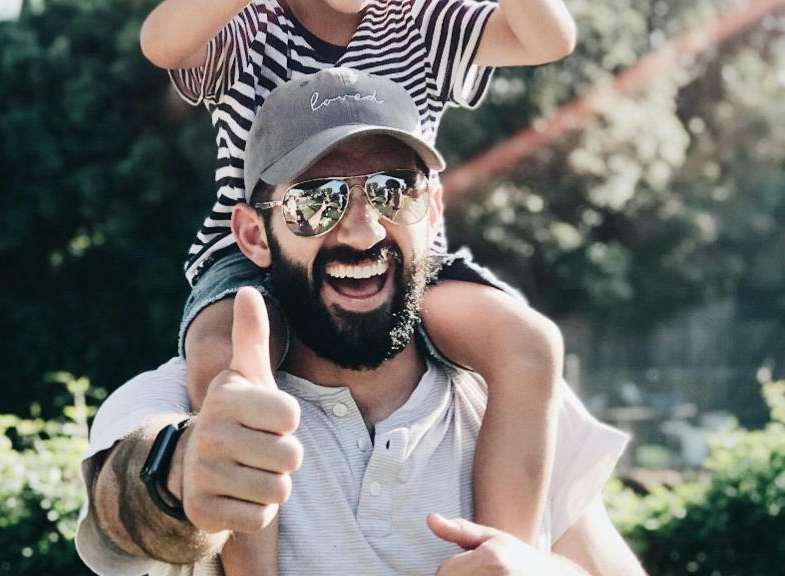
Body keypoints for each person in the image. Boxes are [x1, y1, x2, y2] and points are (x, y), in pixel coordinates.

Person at [76, 69, 645, 576]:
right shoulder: (191, 399)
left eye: (394, 191)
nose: (362, 231)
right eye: (314, 200)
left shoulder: (505, 400)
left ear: (436, 211)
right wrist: (179, 475)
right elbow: (119, 513)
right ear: (253, 235)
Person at [139, 0, 578, 570]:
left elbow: (549, 39)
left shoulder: (424, 25)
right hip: (255, 256)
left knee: (529, 343)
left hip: (409, 256)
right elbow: (162, 44)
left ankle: (496, 553)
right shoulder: (247, 28)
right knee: (228, 357)